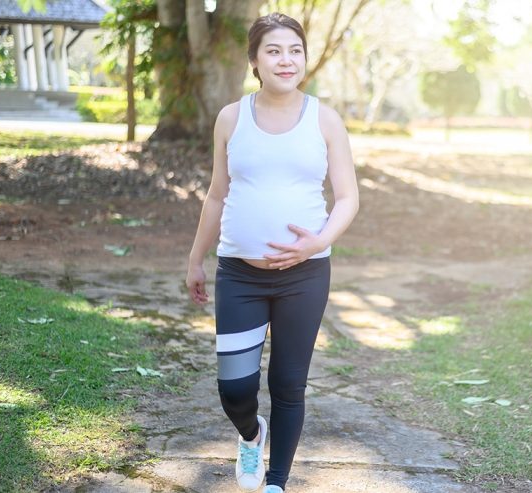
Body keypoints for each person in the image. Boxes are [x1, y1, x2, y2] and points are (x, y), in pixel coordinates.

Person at [185, 12, 359, 493]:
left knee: (288, 384)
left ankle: (276, 482)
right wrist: (196, 259)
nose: (286, 60)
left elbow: (347, 197)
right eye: (274, 51)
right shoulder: (231, 117)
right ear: (255, 61)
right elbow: (218, 194)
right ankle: (250, 435)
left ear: (305, 57)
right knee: (235, 389)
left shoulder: (325, 119)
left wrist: (319, 241)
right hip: (240, 274)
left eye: (295, 50)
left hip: (305, 275)